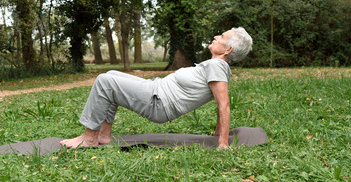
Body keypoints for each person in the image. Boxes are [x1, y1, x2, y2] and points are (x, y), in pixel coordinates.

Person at [60, 27, 253, 149]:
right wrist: (218, 134)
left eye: (222, 36)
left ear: (228, 50)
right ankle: (103, 135)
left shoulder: (217, 66)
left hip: (159, 102)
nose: (216, 36)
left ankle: (89, 136)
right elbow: (221, 104)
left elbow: (224, 104)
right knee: (110, 75)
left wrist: (223, 142)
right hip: (156, 90)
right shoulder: (217, 67)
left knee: (104, 81)